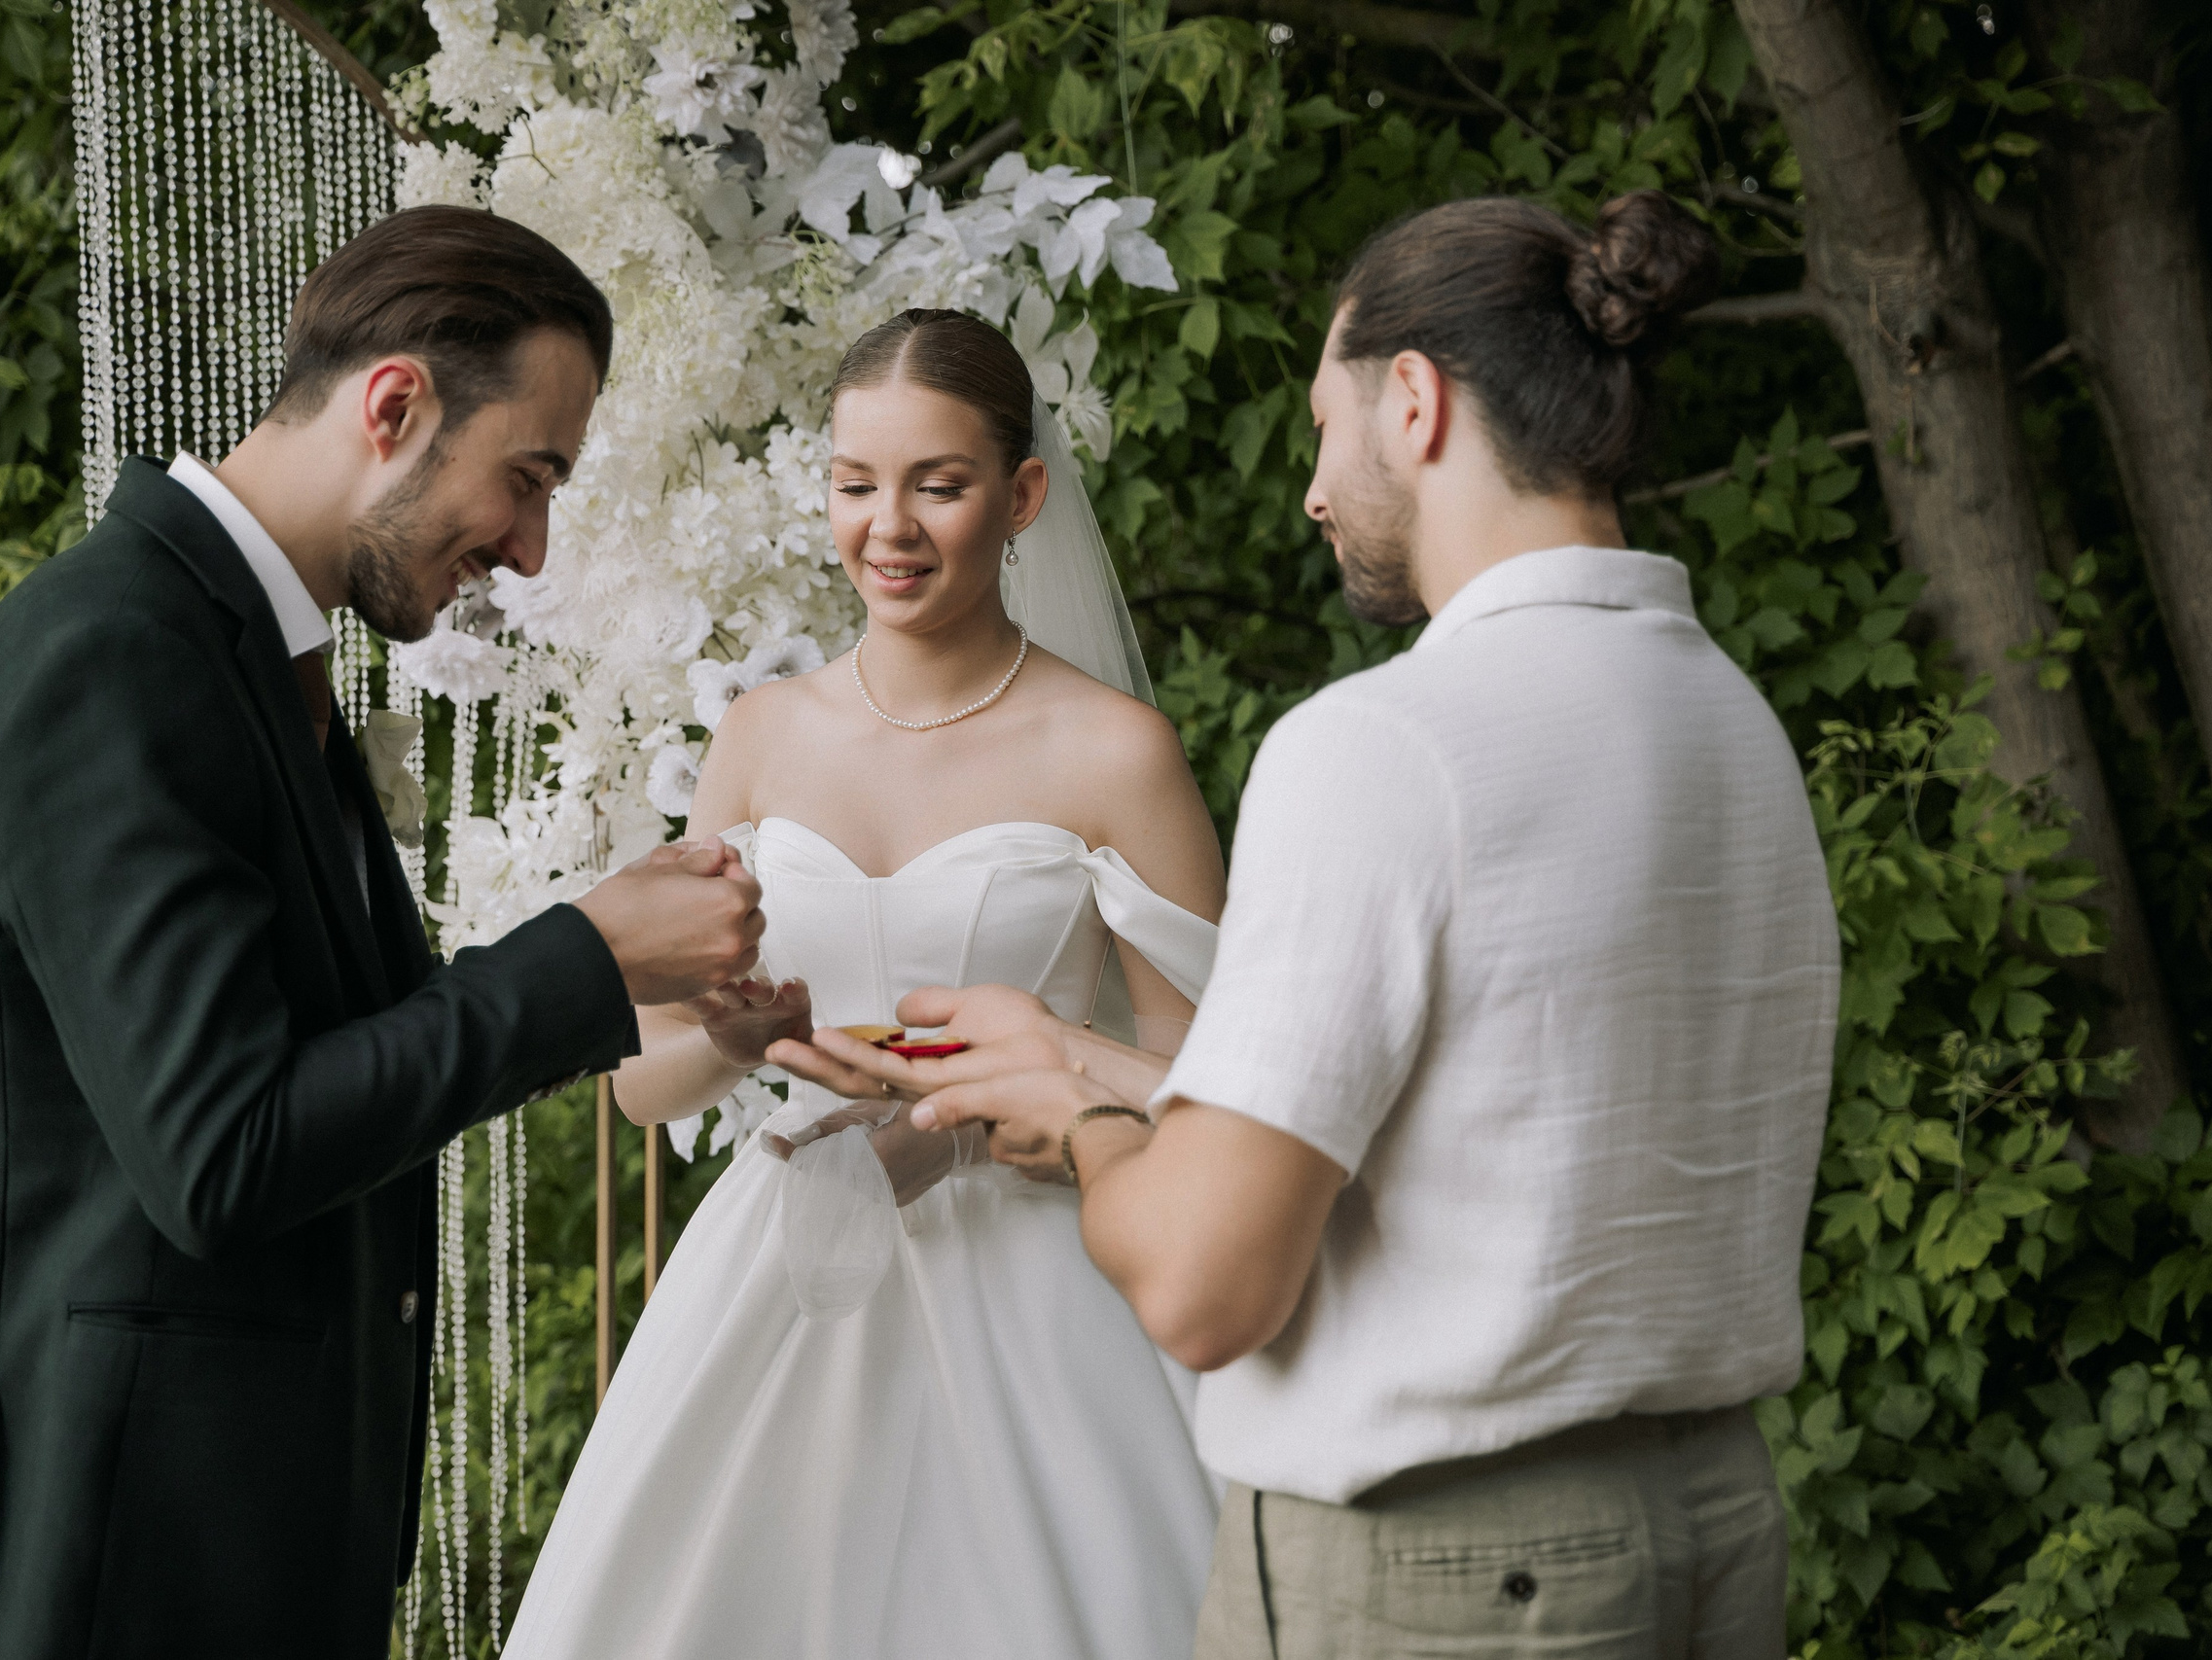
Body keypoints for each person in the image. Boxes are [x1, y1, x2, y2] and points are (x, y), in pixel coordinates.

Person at [789, 192, 1842, 1657]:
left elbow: (1205, 1287)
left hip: (1449, 1573)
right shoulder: (1731, 725)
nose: (1312, 490)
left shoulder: (1387, 745)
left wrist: (1073, 1127)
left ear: (1412, 402)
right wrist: (1078, 1059)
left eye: (1321, 426)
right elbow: (1456, 1141)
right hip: (1711, 1527)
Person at [0, 205, 766, 1660]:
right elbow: (223, 1154)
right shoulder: (114, 657)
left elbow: (350, 1065)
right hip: (131, 1555)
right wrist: (585, 961)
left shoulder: (256, 653)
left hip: (250, 1533)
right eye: (528, 476)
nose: (532, 548)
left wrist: (640, 991)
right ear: (396, 404)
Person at [502, 308, 1229, 1659]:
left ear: (1021, 498)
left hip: (1040, 1278)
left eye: (936, 486)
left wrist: (1044, 1073)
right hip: (787, 1259)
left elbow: (1219, 1102)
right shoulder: (763, 735)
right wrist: (731, 1038)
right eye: (855, 484)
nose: (886, 526)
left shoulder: (1116, 752)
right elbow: (648, 1094)